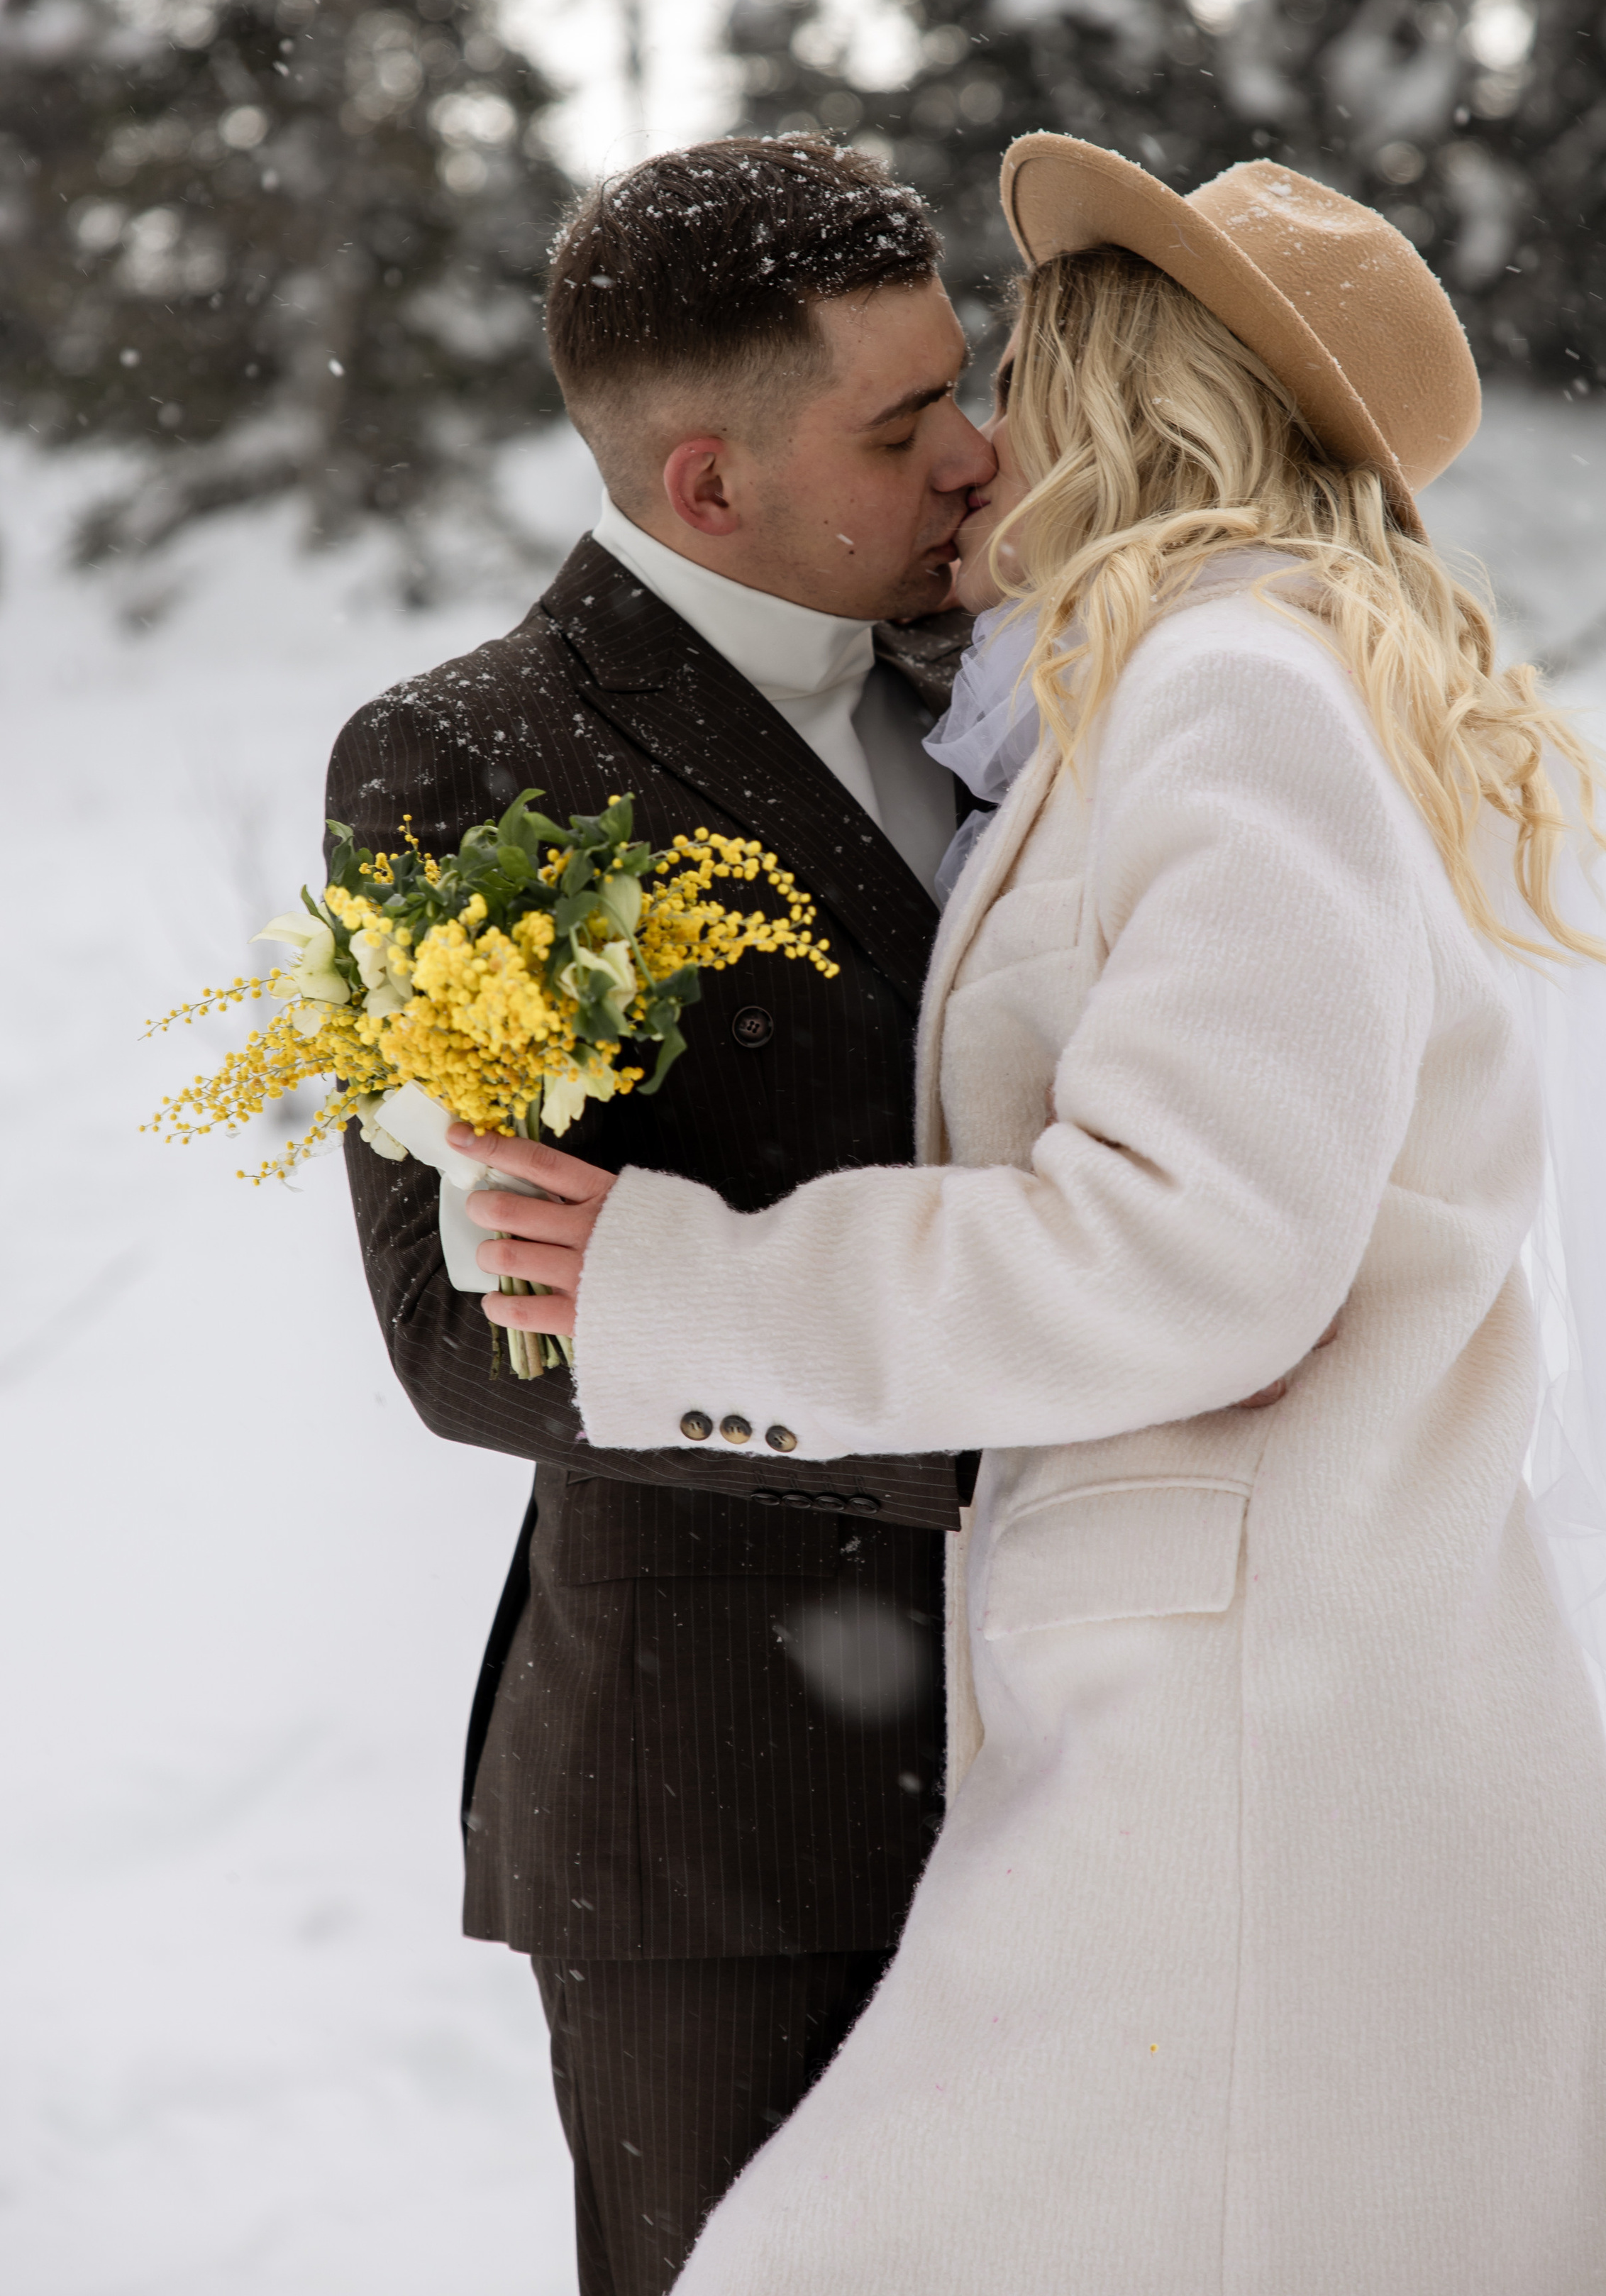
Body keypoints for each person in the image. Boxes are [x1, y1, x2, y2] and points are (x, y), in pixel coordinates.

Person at [461, 135, 1606, 2292]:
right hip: (1273, 1678)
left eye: (1015, 374)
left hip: (1243, 1720)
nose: (982, 440)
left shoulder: (1236, 690)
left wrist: (692, 1287)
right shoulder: (1218, 682)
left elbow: (1194, 1244)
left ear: (1124, 390)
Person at [326, 136, 998, 2296]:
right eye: (903, 430)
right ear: (707, 488)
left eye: (959, 388)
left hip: (1085, 1763)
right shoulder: (468, 764)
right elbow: (472, 1330)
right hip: (726, 1826)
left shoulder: (1006, 689)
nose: (980, 459)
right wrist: (1025, 1438)